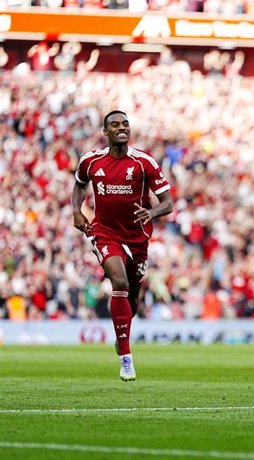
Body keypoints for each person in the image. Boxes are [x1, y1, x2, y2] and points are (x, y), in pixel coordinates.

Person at [72, 110, 173, 381]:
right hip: (105, 233)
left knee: (133, 296)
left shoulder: (144, 163)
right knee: (119, 281)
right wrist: (76, 210)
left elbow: (167, 202)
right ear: (106, 132)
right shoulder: (91, 161)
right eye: (115, 125)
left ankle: (122, 335)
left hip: (137, 237)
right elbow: (79, 184)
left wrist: (152, 213)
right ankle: (126, 359)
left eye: (125, 124)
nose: (121, 128)